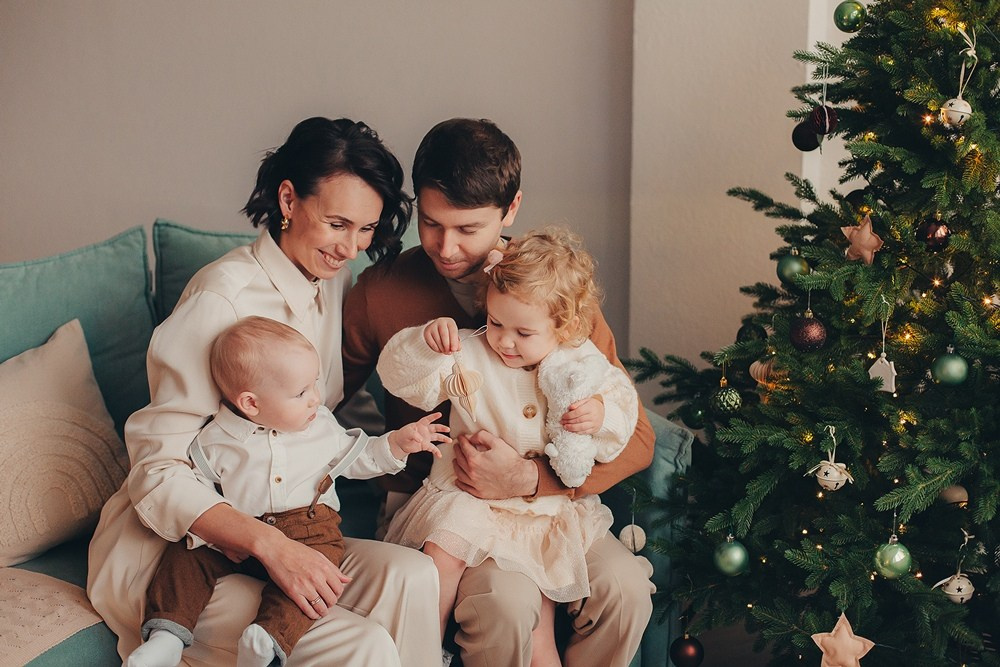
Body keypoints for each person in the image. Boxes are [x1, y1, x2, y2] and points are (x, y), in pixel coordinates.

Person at [88, 117, 442, 667]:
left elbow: (314, 425)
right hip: (181, 552)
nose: (351, 247)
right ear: (288, 199)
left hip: (285, 524)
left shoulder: (327, 279)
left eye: (366, 229)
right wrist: (271, 547)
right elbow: (157, 472)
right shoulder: (222, 300)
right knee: (362, 643)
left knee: (414, 576)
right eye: (337, 223)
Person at [341, 117, 656, 667]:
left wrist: (532, 479)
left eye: (468, 228)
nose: (445, 246)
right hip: (442, 507)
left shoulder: (551, 293)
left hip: (552, 505)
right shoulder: (382, 292)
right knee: (507, 606)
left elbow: (636, 435)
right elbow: (317, 400)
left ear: (510, 210)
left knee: (625, 591)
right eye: (433, 224)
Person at [377, 227, 640, 667]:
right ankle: (420, 650)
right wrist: (425, 343)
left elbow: (623, 416)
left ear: (566, 327)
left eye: (524, 332)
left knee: (542, 639)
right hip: (466, 499)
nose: (505, 341)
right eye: (497, 323)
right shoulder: (469, 350)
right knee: (441, 557)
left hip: (546, 514)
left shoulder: (583, 363)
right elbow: (400, 377)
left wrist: (601, 415)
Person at [126, 316, 448, 667]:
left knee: (310, 584)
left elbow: (362, 458)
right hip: (240, 538)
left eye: (315, 385)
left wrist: (398, 445)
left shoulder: (320, 426)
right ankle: (167, 635)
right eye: (301, 393)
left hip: (311, 534)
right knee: (185, 556)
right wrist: (220, 539)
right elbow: (200, 487)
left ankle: (267, 640)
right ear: (250, 403)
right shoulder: (217, 438)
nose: (316, 399)